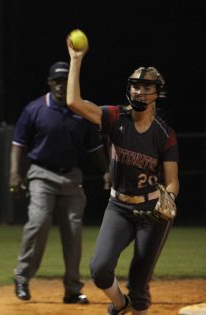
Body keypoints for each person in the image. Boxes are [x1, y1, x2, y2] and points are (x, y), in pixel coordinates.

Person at [66, 38, 179, 315]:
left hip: (152, 211)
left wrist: (169, 199)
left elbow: (173, 179)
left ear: (157, 93)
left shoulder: (164, 134)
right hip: (119, 206)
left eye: (146, 87)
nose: (139, 92)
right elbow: (73, 102)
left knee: (139, 285)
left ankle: (135, 303)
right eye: (135, 86)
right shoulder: (116, 118)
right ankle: (120, 304)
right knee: (100, 269)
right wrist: (76, 60)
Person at [10, 61, 110, 303]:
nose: (61, 85)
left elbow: (94, 146)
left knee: (74, 231)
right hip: (41, 174)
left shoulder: (80, 110)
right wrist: (14, 173)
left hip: (71, 176)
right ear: (49, 83)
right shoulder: (35, 108)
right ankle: (22, 277)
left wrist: (107, 170)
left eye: (66, 80)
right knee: (39, 222)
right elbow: (18, 144)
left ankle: (73, 289)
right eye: (56, 80)